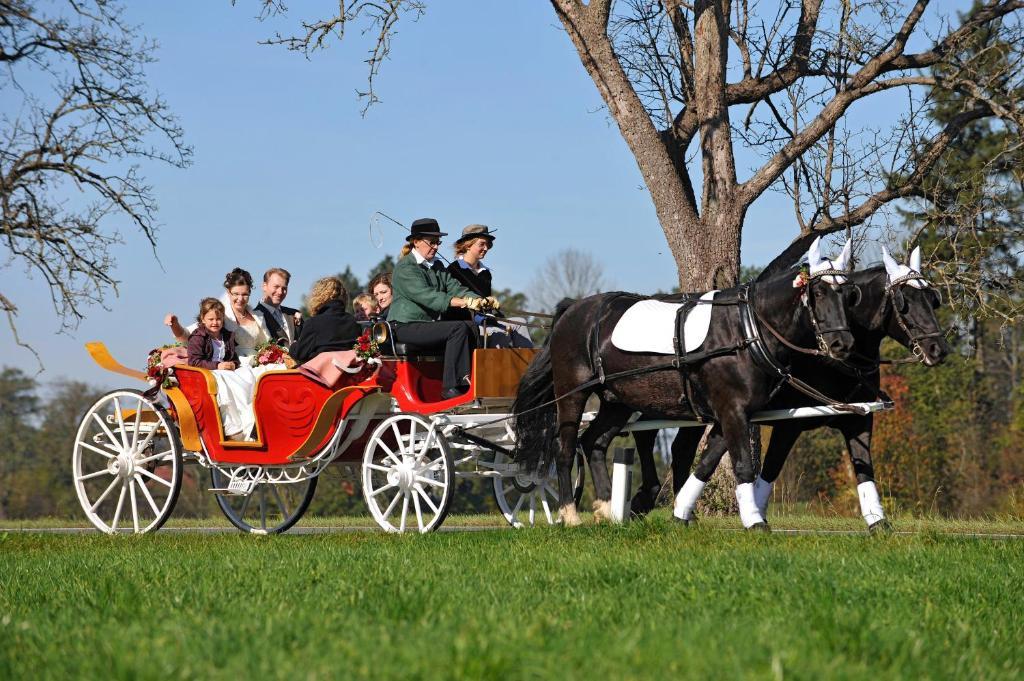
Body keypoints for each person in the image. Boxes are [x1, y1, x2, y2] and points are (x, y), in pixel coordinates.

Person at [389, 218, 493, 400]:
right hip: (405, 326)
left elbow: (456, 287)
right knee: (458, 328)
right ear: (416, 241)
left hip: (426, 326)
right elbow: (429, 297)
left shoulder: (437, 266)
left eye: (438, 242)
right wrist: (464, 303)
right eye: (432, 242)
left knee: (471, 326)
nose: (436, 247)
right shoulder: (406, 268)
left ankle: (473, 381)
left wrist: (481, 301)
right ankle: (452, 387)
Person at [445, 224, 533, 348]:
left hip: (487, 319)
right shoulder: (454, 269)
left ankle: (531, 365)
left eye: (487, 245)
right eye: (482, 244)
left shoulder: (485, 273)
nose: (486, 248)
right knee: (500, 331)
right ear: (468, 245)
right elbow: (452, 306)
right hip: (466, 323)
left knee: (521, 323)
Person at [165, 267, 272, 363]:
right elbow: (186, 335)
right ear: (228, 292)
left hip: (256, 364)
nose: (240, 299)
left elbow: (266, 345)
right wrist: (174, 324)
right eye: (236, 294)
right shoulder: (219, 316)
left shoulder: (258, 316)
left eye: (245, 294)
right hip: (233, 364)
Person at [290, 277, 364, 364]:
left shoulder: (313, 323)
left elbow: (300, 353)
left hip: (320, 375)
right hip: (348, 374)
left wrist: (293, 346)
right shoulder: (353, 322)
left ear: (318, 296)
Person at [186, 298, 239, 370]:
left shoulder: (227, 336)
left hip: (225, 371)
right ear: (203, 319)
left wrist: (234, 364)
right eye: (211, 319)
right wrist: (217, 366)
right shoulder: (198, 337)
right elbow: (194, 362)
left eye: (218, 319)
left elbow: (233, 358)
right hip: (207, 372)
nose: (215, 323)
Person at [254, 267, 302, 346]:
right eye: (276, 287)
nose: (280, 292)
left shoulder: (294, 313)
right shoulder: (254, 316)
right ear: (264, 286)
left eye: (284, 288)